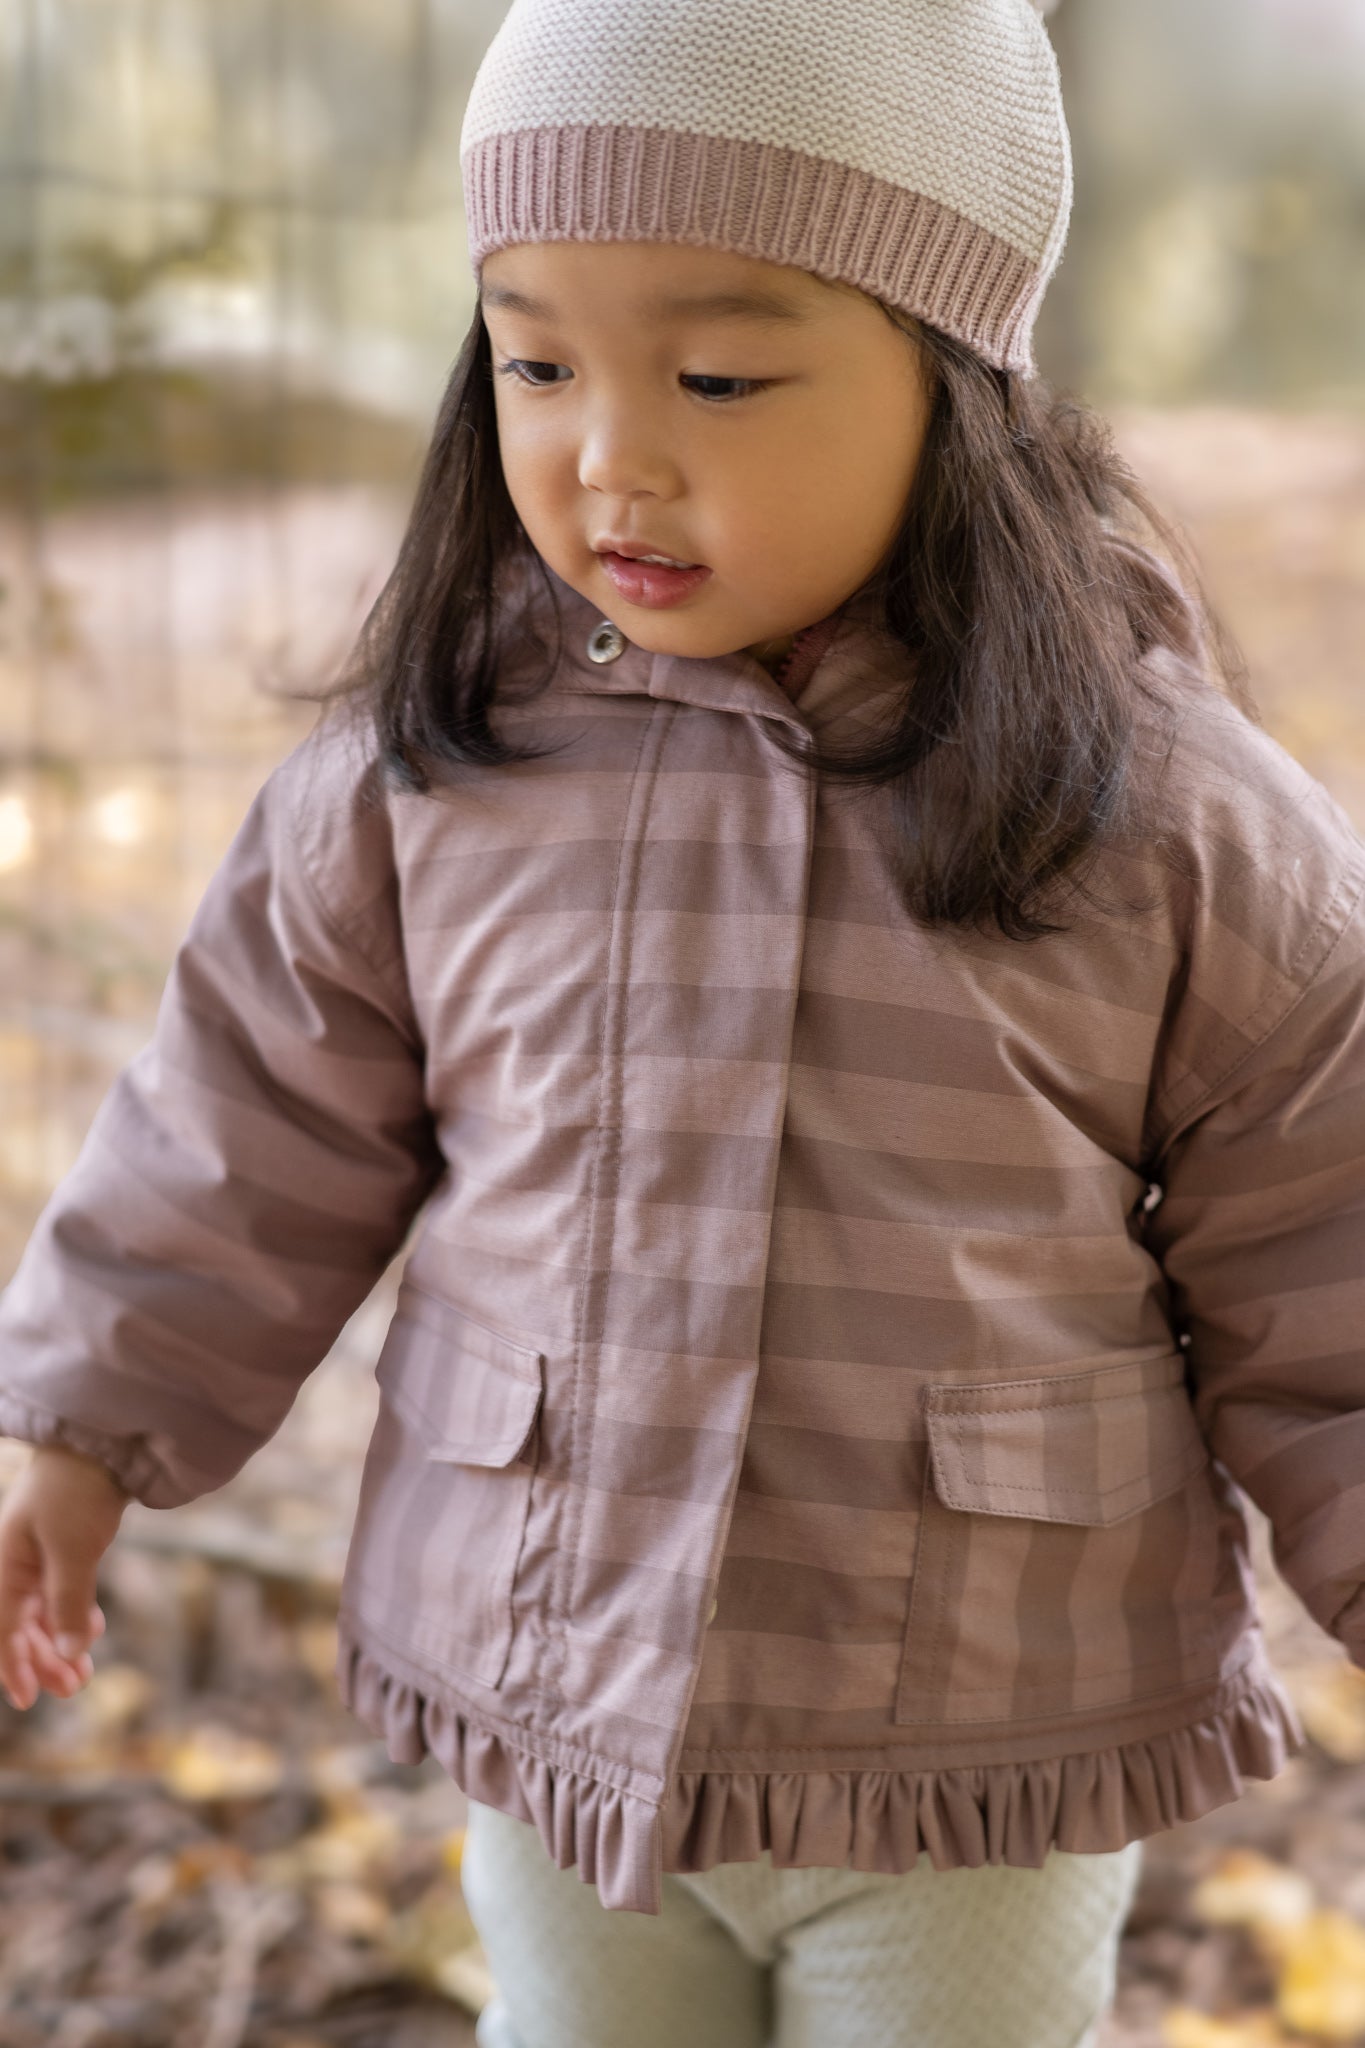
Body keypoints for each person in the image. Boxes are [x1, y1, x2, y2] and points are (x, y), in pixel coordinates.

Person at [2, 0, 1365, 2042]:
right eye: (534, 357)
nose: (604, 452)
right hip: (547, 1685)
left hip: (969, 1739)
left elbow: (1324, 1233)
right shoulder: (432, 774)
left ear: (956, 373)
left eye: (716, 371)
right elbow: (241, 1122)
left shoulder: (1159, 816)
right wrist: (73, 1418)